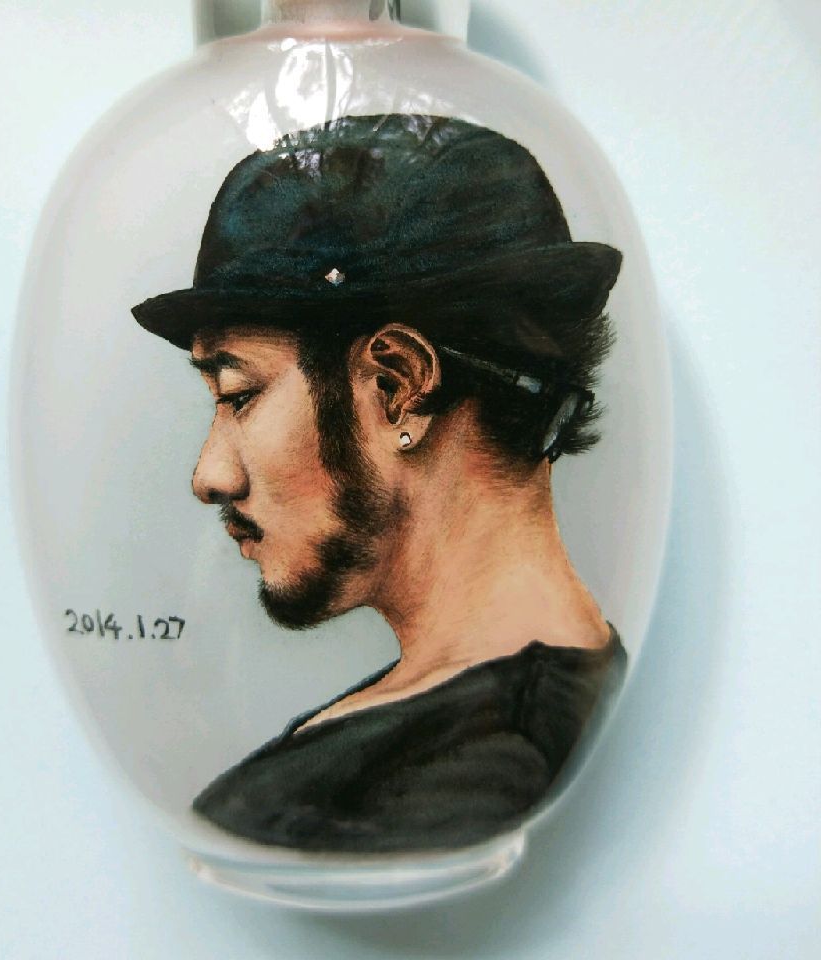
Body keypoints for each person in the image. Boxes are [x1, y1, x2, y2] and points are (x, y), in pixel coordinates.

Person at [132, 113, 627, 852]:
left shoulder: (474, 770)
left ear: (398, 386)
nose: (210, 476)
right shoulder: (536, 711)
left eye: (239, 394)